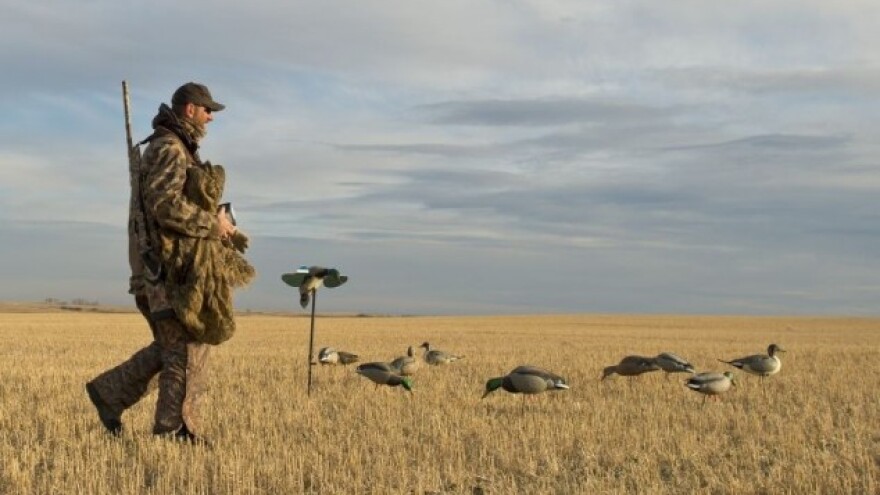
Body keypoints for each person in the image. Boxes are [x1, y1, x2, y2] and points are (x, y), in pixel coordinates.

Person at [86, 82, 255, 444]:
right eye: (207, 109)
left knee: (174, 345)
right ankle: (173, 429)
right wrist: (213, 224)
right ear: (189, 109)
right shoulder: (169, 149)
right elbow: (166, 208)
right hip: (164, 271)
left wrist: (218, 222)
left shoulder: (178, 148)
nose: (211, 117)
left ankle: (110, 393)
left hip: (168, 268)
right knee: (185, 348)